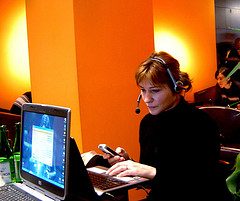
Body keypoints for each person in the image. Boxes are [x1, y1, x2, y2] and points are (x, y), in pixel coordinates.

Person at [104, 51, 231, 201]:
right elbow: (153, 176)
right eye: (143, 90)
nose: (146, 99)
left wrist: (152, 172)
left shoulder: (201, 123)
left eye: (155, 91)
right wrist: (128, 164)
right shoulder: (148, 123)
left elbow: (200, 182)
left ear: (176, 87)